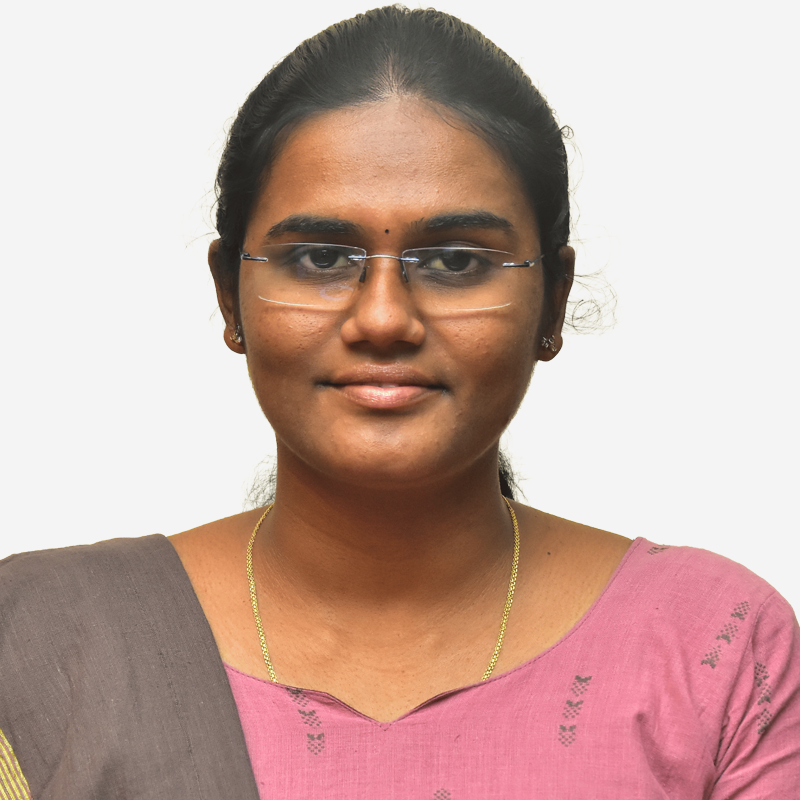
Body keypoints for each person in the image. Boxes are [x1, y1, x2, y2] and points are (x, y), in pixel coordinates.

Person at [1, 6, 798, 798]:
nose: (383, 319)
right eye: (320, 258)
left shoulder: (712, 650)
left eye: (454, 262)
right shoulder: (43, 641)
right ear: (229, 296)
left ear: (552, 302)